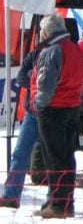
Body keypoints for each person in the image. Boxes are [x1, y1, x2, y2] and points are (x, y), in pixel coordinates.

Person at [31, 14, 83, 218]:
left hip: (53, 109)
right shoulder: (75, 49)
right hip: (72, 108)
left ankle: (57, 205)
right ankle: (64, 202)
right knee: (66, 156)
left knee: (54, 158)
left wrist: (38, 106)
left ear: (47, 31)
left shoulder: (52, 51)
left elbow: (45, 85)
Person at [0, 41, 45, 209]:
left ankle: (58, 199)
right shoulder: (35, 53)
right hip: (32, 112)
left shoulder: (62, 52)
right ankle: (10, 194)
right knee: (20, 153)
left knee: (57, 157)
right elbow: (20, 76)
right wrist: (35, 87)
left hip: (53, 113)